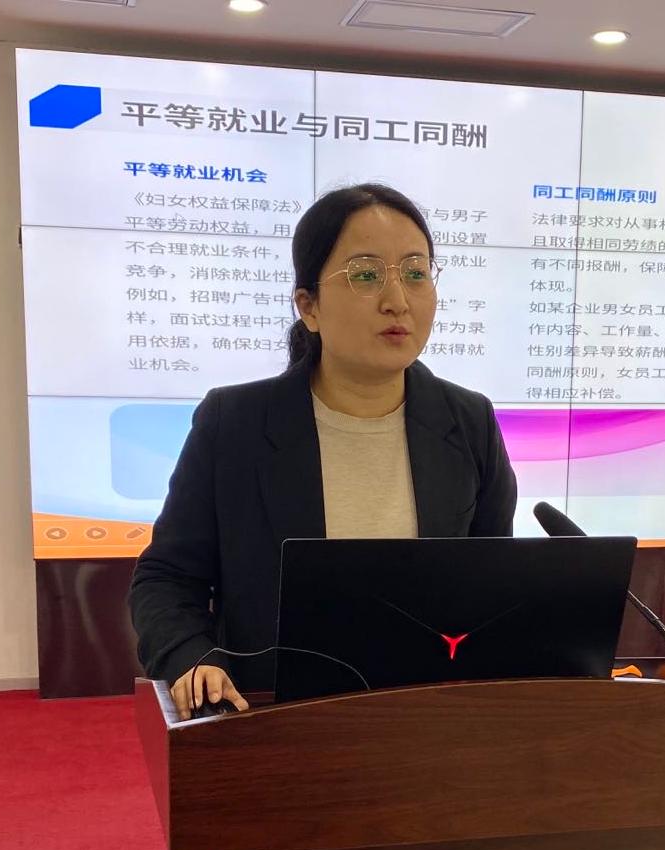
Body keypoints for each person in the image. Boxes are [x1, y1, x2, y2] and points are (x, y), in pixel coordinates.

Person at [128, 183, 518, 719]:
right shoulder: (235, 423)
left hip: (429, 720)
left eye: (415, 272)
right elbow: (168, 577)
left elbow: (492, 584)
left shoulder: (468, 422)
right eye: (365, 275)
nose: (397, 300)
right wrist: (192, 659)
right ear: (308, 306)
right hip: (275, 718)